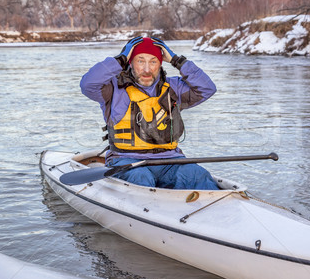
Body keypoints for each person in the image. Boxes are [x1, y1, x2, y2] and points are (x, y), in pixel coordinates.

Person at [79, 36, 219, 190]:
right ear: (130, 62)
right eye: (140, 60)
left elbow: (208, 88)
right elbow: (87, 84)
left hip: (169, 162)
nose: (147, 69)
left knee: (196, 174)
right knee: (141, 177)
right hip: (126, 161)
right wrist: (119, 60)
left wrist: (177, 61)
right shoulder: (112, 89)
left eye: (153, 61)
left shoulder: (174, 88)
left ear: (161, 63)